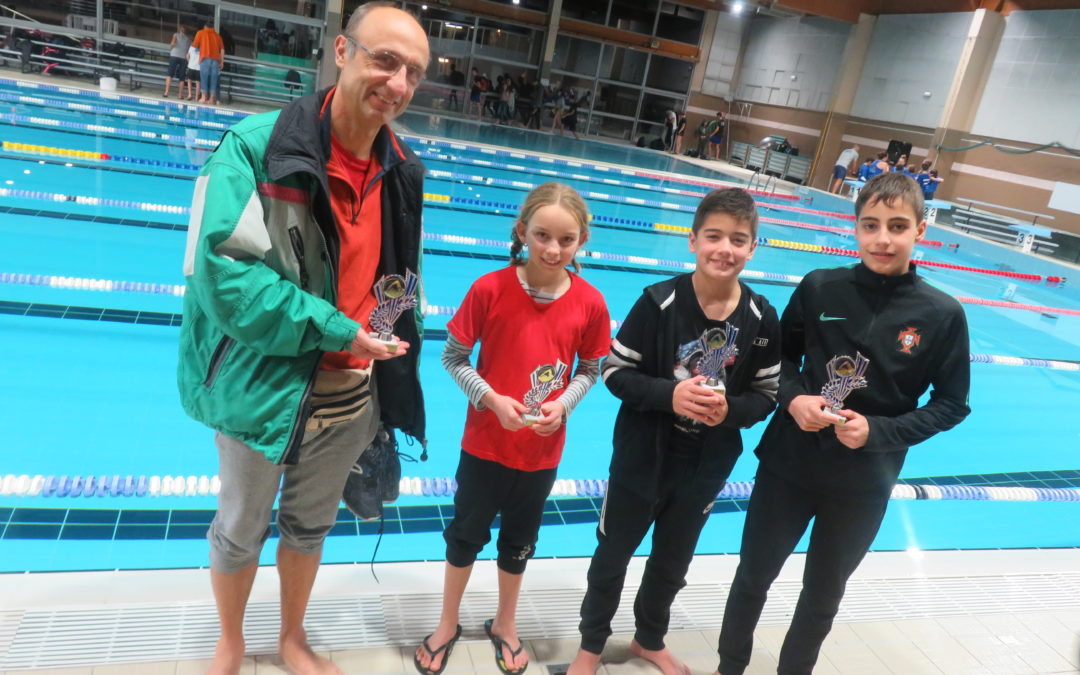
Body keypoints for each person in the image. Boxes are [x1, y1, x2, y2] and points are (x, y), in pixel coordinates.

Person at [177, 4, 430, 674]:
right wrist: (338, 327)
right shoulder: (252, 148)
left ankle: (292, 636)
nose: (399, 83)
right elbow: (222, 277)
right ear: (342, 52)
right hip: (264, 388)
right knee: (239, 528)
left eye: (414, 72)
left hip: (352, 392)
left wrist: (394, 347)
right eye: (386, 60)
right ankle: (231, 642)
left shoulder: (403, 167)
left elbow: (400, 276)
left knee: (310, 526)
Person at [713, 172, 971, 675]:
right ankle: (729, 668)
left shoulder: (943, 314)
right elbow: (777, 361)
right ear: (854, 228)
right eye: (871, 225)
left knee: (822, 596)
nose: (883, 238)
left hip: (864, 481)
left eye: (897, 226)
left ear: (921, 230)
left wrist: (880, 433)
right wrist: (794, 400)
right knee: (752, 577)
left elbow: (952, 403)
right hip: (789, 464)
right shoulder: (819, 288)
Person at [565, 187, 781, 675]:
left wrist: (729, 412)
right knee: (612, 555)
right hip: (642, 459)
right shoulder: (658, 302)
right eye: (714, 236)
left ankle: (648, 639)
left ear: (753, 248)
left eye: (738, 239)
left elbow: (768, 395)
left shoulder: (762, 317)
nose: (725, 248)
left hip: (705, 468)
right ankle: (591, 645)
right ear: (692, 241)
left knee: (672, 562)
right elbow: (614, 372)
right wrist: (670, 395)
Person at [414, 182, 611, 675]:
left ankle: (505, 623)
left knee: (520, 541)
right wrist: (489, 398)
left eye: (566, 240)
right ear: (523, 232)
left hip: (541, 454)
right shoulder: (489, 288)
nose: (552, 249)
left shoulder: (589, 302)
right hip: (484, 444)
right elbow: (452, 356)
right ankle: (446, 622)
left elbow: (589, 369)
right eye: (542, 235)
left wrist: (562, 406)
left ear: (581, 240)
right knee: (464, 535)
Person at [191, 18, 225, 105]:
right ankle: (211, 99)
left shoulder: (200, 33)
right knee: (214, 79)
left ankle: (203, 98)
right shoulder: (218, 36)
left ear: (205, 27)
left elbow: (194, 46)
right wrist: (222, 62)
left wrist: (192, 56)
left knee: (204, 78)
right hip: (215, 60)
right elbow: (222, 50)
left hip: (205, 58)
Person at [163, 25, 191, 98]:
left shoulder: (176, 34)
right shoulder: (188, 39)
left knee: (170, 74)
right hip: (183, 58)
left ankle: (166, 92)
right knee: (182, 76)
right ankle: (180, 95)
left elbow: (172, 43)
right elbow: (189, 51)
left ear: (180, 30)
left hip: (174, 55)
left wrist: (171, 47)